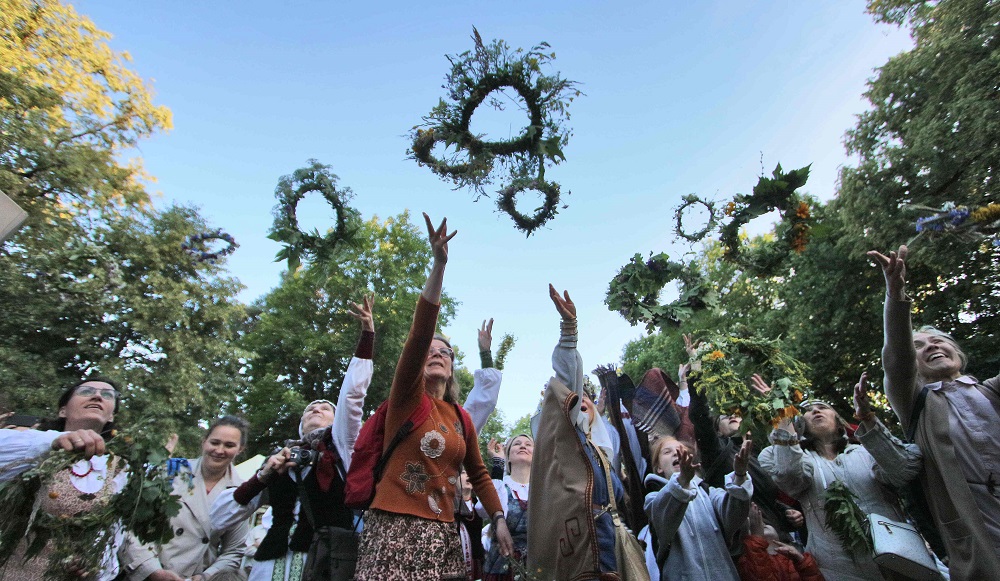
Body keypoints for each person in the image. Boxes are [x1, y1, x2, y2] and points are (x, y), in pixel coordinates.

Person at [354, 214, 512, 580]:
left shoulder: (461, 417)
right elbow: (420, 333)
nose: (437, 352)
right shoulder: (406, 399)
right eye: (431, 350)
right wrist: (440, 265)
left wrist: (499, 518)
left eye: (446, 351)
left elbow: (480, 474)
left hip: (444, 535)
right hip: (394, 529)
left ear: (453, 366)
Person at [210, 295, 376, 581]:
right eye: (310, 408)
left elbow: (351, 398)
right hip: (268, 567)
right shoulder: (279, 459)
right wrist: (262, 477)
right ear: (300, 426)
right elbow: (218, 518)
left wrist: (367, 337)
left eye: (325, 408)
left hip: (326, 564)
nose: (316, 408)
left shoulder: (343, 449)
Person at [869, 245, 1000, 580]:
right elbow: (897, 359)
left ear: (957, 352)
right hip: (985, 537)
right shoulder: (917, 404)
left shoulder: (990, 391)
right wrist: (896, 297)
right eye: (920, 345)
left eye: (940, 341)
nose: (932, 345)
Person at [758, 373, 924, 581]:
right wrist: (782, 418)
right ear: (800, 425)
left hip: (900, 558)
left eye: (823, 407)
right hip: (836, 567)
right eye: (808, 411)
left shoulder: (866, 451)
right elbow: (791, 478)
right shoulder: (800, 459)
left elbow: (902, 471)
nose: (816, 410)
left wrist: (868, 419)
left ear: (838, 420)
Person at [527, 285, 627, 580]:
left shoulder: (604, 454)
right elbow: (566, 386)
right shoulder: (564, 439)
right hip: (576, 552)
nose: (581, 400)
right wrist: (569, 330)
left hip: (612, 551)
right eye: (578, 396)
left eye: (588, 398)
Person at [0, 378, 127, 580]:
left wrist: (95, 567)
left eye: (108, 394)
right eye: (86, 391)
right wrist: (53, 442)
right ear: (62, 411)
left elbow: (112, 534)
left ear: (111, 416)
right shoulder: (32, 444)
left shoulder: (119, 467)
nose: (97, 396)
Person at [121, 416, 251, 581]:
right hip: (149, 573)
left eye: (229, 445)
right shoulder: (170, 471)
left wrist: (206, 577)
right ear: (204, 442)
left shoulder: (242, 492)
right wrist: (152, 570)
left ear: (240, 449)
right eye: (215, 442)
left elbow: (234, 550)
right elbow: (132, 527)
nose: (219, 450)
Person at [643, 433, 753, 581]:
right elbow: (664, 519)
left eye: (680, 449)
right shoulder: (653, 499)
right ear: (658, 468)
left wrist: (740, 475)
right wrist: (681, 481)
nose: (676, 452)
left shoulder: (710, 493)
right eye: (667, 452)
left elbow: (735, 517)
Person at [477, 434, 532, 581]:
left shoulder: (542, 490)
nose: (523, 446)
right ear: (508, 457)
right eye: (517, 444)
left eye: (528, 444)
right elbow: (484, 508)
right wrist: (497, 463)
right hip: (500, 568)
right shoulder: (502, 485)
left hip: (535, 567)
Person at [736, 504, 824, 581]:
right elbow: (760, 575)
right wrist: (756, 539)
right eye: (753, 528)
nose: (761, 526)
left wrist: (802, 561)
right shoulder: (747, 563)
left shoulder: (790, 559)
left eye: (764, 524)